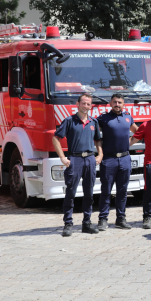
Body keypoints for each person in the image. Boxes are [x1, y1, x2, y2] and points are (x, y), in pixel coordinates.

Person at [52, 93, 103, 237]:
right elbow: (56, 138)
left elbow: (98, 140)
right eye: (83, 103)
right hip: (75, 160)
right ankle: (68, 224)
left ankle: (87, 223)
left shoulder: (94, 122)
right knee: (71, 193)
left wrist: (100, 154)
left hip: (90, 160)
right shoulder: (69, 121)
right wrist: (62, 157)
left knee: (89, 193)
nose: (86, 106)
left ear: (91, 106)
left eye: (88, 104)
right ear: (78, 104)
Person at [96, 93, 138, 230]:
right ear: (110, 103)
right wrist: (100, 152)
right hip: (109, 159)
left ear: (123, 104)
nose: (117, 104)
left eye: (120, 102)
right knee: (106, 191)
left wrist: (129, 144)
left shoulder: (128, 117)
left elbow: (138, 132)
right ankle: (103, 219)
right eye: (115, 102)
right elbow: (95, 136)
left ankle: (121, 219)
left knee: (122, 191)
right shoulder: (103, 118)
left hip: (125, 159)